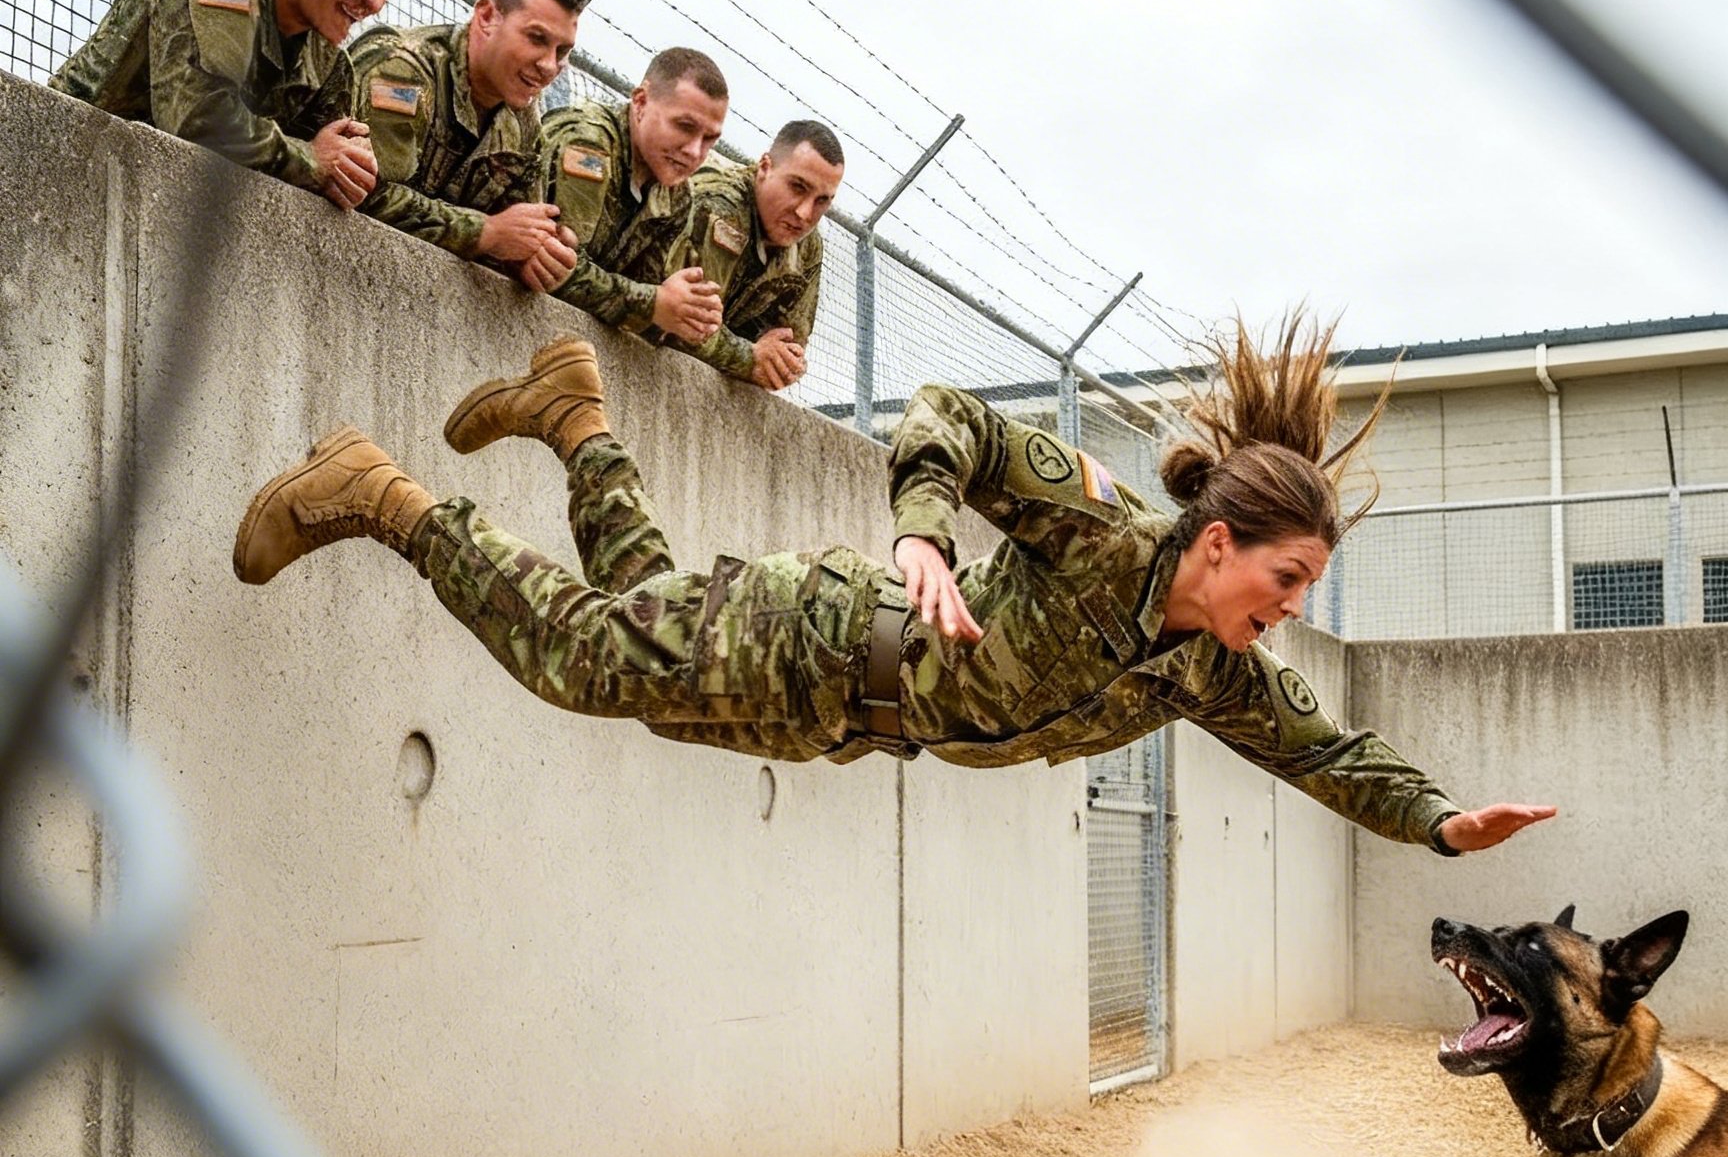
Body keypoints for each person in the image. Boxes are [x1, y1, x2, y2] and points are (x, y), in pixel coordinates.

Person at [228, 315, 1553, 855]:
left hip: (841, 718)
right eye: (1289, 576)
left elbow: (1332, 753)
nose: (1295, 607)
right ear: (1218, 547)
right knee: (582, 660)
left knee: (636, 651)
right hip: (812, 634)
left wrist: (1440, 823)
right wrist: (922, 532)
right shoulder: (1102, 533)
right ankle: (380, 493)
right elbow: (951, 417)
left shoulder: (1213, 669)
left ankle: (578, 420)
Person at [50, 0, 415, 212]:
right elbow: (199, 118)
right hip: (68, 170)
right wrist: (310, 159)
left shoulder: (330, 63)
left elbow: (338, 173)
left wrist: (350, 169)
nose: (377, 2)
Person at [348, 0, 584, 289]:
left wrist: (535, 257)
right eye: (537, 39)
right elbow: (367, 193)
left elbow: (519, 232)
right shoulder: (403, 70)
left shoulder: (522, 121)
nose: (549, 65)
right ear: (486, 17)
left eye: (562, 51)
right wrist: (485, 233)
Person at [535, 48, 729, 346]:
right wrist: (653, 305)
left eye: (709, 139)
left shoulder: (676, 194)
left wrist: (687, 316)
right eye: (684, 127)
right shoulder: (589, 146)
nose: (694, 151)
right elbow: (558, 272)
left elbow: (647, 296)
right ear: (640, 102)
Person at [668, 121, 844, 390]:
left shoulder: (807, 244)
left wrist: (779, 361)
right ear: (765, 168)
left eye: (822, 201)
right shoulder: (721, 207)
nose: (805, 214)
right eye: (798, 187)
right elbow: (685, 325)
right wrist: (749, 356)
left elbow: (788, 347)